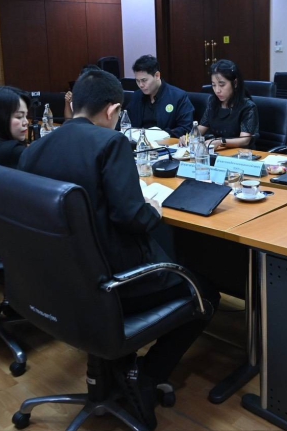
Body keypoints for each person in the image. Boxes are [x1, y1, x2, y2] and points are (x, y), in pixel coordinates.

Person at [18, 69, 219, 428]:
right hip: (112, 282)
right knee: (204, 292)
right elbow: (132, 217)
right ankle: (145, 376)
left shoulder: (35, 149)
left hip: (55, 280)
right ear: (112, 110)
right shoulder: (110, 143)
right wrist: (152, 210)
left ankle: (118, 365)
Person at [180, 59, 259, 150]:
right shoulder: (213, 102)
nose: (217, 90)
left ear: (235, 83)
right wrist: (188, 137)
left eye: (222, 85)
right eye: (214, 85)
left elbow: (244, 140)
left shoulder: (247, 106)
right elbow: (201, 128)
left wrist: (221, 142)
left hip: (240, 154)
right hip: (218, 152)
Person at [125, 55, 194, 138]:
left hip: (166, 143)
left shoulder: (178, 97)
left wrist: (162, 134)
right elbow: (125, 123)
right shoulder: (137, 96)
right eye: (137, 81)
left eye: (144, 80)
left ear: (157, 76)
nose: (141, 85)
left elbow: (186, 128)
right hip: (138, 143)